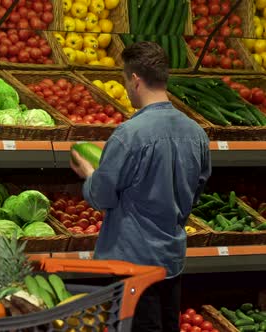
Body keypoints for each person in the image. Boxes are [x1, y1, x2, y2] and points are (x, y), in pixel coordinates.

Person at [70, 41, 211, 332]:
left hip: (130, 265)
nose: (125, 87)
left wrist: (89, 174)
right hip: (171, 261)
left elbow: (102, 196)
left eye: (124, 79)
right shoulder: (197, 134)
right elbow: (197, 189)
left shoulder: (129, 135)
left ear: (135, 80)